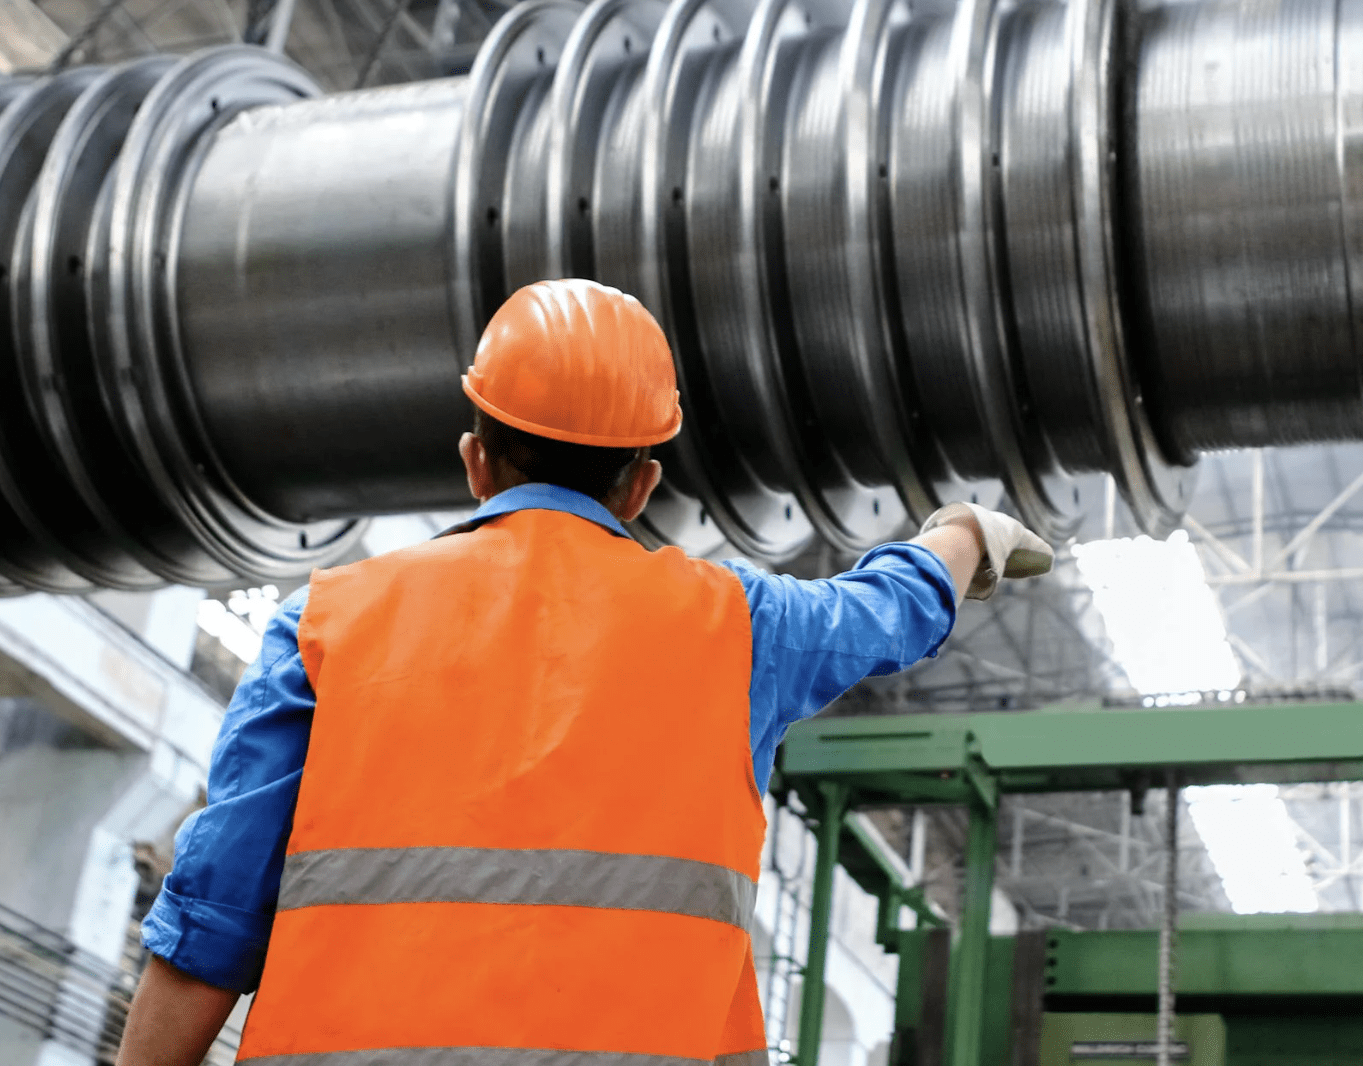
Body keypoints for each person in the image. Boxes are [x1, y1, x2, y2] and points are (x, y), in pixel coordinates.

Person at [114, 279, 1052, 1066]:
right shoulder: (739, 626)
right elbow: (891, 612)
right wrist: (961, 533)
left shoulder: (325, 624)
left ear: (476, 460)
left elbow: (210, 923)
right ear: (642, 484)